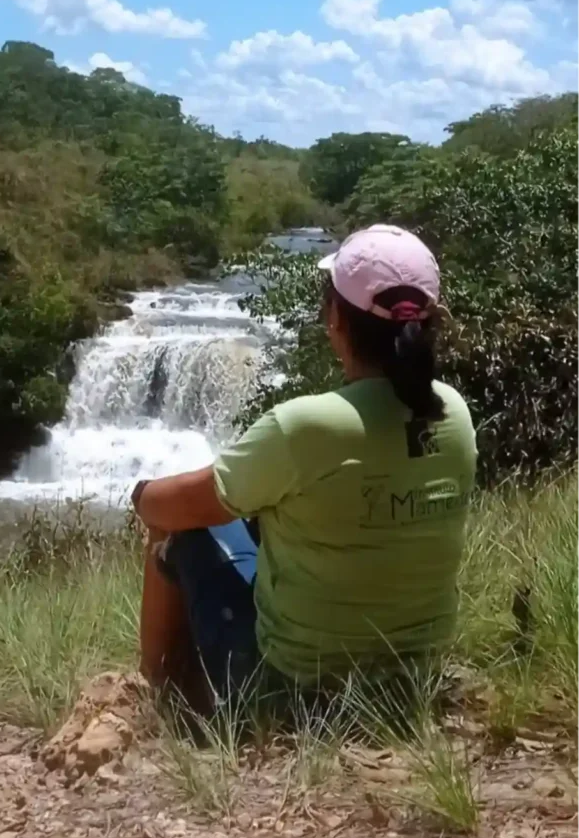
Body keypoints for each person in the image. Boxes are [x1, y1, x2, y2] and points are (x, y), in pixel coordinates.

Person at [132, 224, 478, 717]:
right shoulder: (456, 414)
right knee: (261, 517)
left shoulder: (306, 427)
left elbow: (174, 505)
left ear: (335, 317)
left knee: (178, 532)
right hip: (413, 682)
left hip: (295, 692)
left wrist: (141, 494)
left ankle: (158, 693)